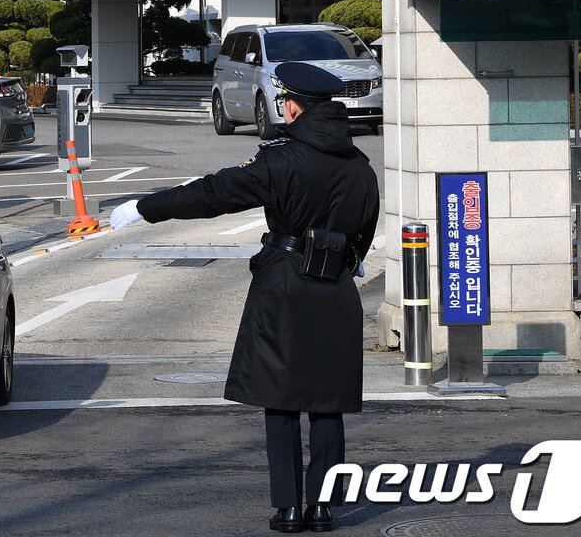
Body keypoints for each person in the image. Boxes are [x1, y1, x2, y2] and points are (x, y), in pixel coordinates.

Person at [110, 63, 379, 534]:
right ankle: (322, 507)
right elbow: (365, 227)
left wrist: (144, 207)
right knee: (327, 401)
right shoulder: (360, 165)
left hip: (284, 285)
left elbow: (214, 194)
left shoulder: (280, 160)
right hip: (336, 286)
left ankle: (289, 508)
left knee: (281, 398)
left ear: (293, 106)